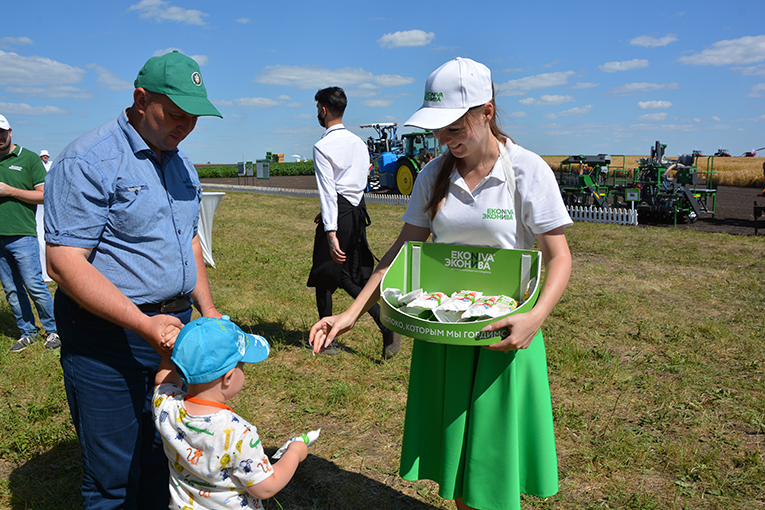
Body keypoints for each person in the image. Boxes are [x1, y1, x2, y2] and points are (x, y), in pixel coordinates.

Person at [309, 57, 573, 510]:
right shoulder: (433, 175)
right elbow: (399, 253)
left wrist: (536, 317)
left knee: (492, 467)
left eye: (455, 129)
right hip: (443, 334)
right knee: (456, 469)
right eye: (438, 131)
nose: (445, 141)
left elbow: (560, 257)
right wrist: (351, 313)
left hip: (503, 337)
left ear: (487, 112)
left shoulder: (528, 171)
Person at [44, 51, 223, 510]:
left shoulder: (180, 165)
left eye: (193, 117)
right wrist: (143, 325)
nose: (185, 126)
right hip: (107, 339)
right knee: (114, 473)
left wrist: (208, 309)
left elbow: (190, 243)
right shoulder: (90, 160)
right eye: (175, 114)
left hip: (174, 331)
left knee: (164, 451)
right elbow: (64, 264)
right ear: (140, 100)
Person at [153, 316, 316, 509]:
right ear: (228, 377)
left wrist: (167, 357)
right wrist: (295, 453)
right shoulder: (238, 433)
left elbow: (163, 383)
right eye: (242, 366)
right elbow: (265, 488)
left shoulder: (166, 406)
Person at [307, 86, 401, 358]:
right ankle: (382, 324)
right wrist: (332, 213)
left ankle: (327, 339)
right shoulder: (359, 143)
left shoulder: (322, 146)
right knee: (349, 273)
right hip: (357, 211)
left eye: (317, 109)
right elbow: (354, 186)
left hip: (339, 214)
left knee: (327, 275)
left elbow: (328, 191)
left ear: (323, 110)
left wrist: (330, 230)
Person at [0, 113, 59, 352]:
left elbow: (45, 195)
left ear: (10, 132)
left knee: (34, 284)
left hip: (22, 233)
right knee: (11, 289)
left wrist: (9, 191)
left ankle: (54, 330)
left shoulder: (29, 159)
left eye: (1, 132)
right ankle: (27, 332)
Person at [36, 150, 52, 282]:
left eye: (47, 156)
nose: (45, 157)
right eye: (43, 156)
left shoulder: (50, 165)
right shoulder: (37, 165)